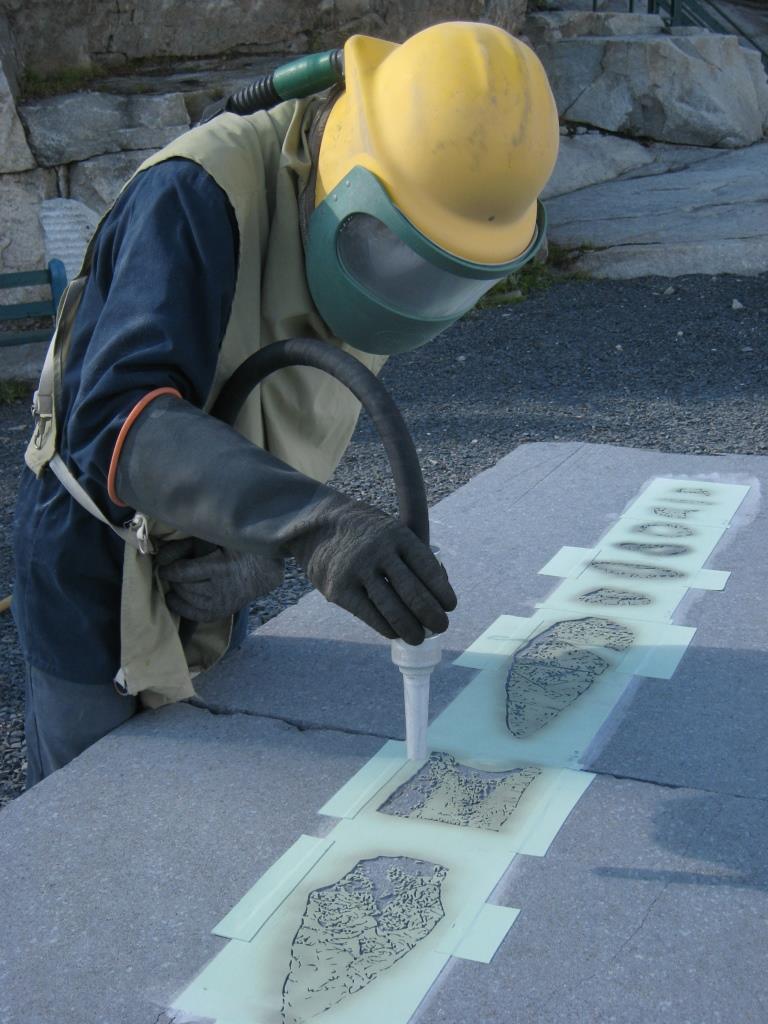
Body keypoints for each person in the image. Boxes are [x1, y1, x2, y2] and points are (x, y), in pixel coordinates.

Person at [12, 21, 559, 785]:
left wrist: (262, 542)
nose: (409, 284)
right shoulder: (195, 196)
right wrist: (312, 526)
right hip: (94, 573)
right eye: (400, 248)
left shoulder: (373, 222)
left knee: (208, 795)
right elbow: (114, 423)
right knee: (93, 812)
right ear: (350, 170)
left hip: (223, 551)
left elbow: (282, 404)